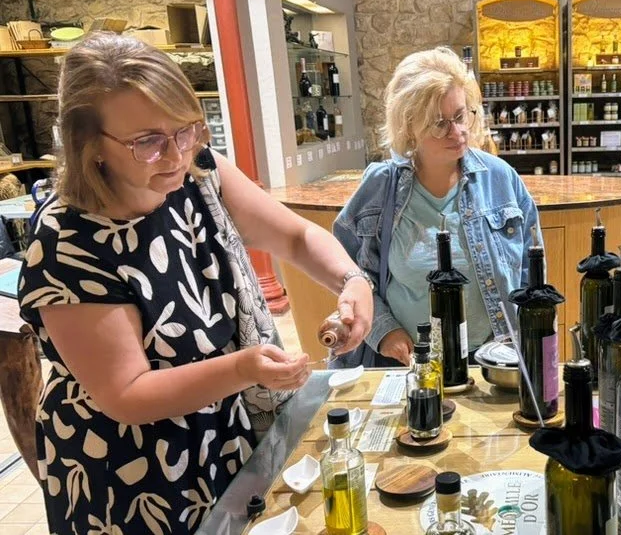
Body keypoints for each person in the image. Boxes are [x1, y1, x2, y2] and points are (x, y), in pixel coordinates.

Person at [17, 33, 374, 533]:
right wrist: (244, 367)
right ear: (89, 144)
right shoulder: (66, 240)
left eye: (186, 130)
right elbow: (127, 393)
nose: (175, 155)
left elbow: (293, 237)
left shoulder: (198, 172)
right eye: (147, 142)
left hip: (221, 435)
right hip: (129, 471)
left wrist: (352, 280)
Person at [331, 46, 540, 367]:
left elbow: (532, 272)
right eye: (439, 123)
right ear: (409, 127)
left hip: (491, 359)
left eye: (461, 115)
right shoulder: (380, 188)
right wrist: (385, 332)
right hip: (407, 362)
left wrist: (524, 339)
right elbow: (353, 275)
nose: (457, 132)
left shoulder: (501, 179)